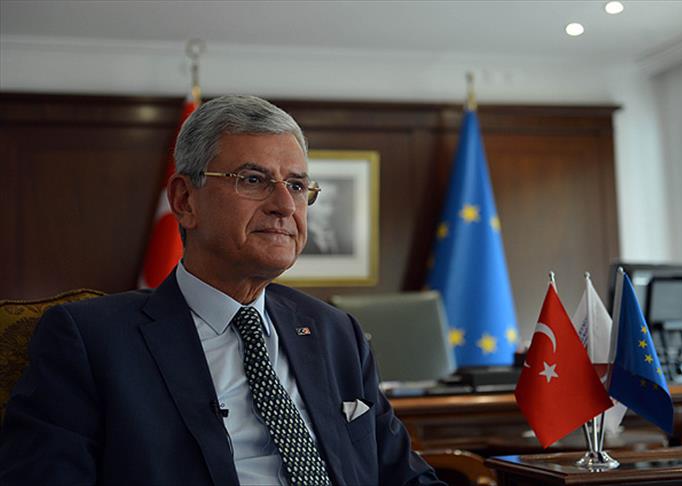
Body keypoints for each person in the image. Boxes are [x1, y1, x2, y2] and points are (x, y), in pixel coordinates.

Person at [0, 95, 444, 486]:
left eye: (295, 185)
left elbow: (404, 475)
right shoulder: (91, 340)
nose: (284, 205)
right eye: (253, 179)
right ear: (184, 201)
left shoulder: (335, 332)